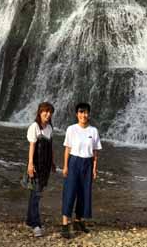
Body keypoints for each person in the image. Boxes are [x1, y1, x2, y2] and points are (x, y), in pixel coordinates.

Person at [61, 102, 102, 239]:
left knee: (84, 194)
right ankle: (65, 224)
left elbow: (95, 152)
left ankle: (78, 222)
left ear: (89, 114)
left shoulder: (93, 131)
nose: (84, 115)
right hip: (74, 162)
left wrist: (95, 169)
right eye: (81, 112)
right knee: (70, 192)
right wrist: (65, 166)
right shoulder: (71, 129)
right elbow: (67, 148)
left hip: (88, 163)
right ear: (76, 114)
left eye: (86, 112)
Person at [26, 101, 56, 237]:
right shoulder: (35, 127)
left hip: (46, 166)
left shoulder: (49, 127)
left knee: (35, 194)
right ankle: (36, 224)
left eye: (50, 112)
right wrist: (30, 164)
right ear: (40, 112)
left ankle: (29, 220)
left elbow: (51, 147)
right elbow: (32, 146)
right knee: (36, 195)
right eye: (46, 111)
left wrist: (53, 163)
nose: (48, 114)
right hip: (37, 166)